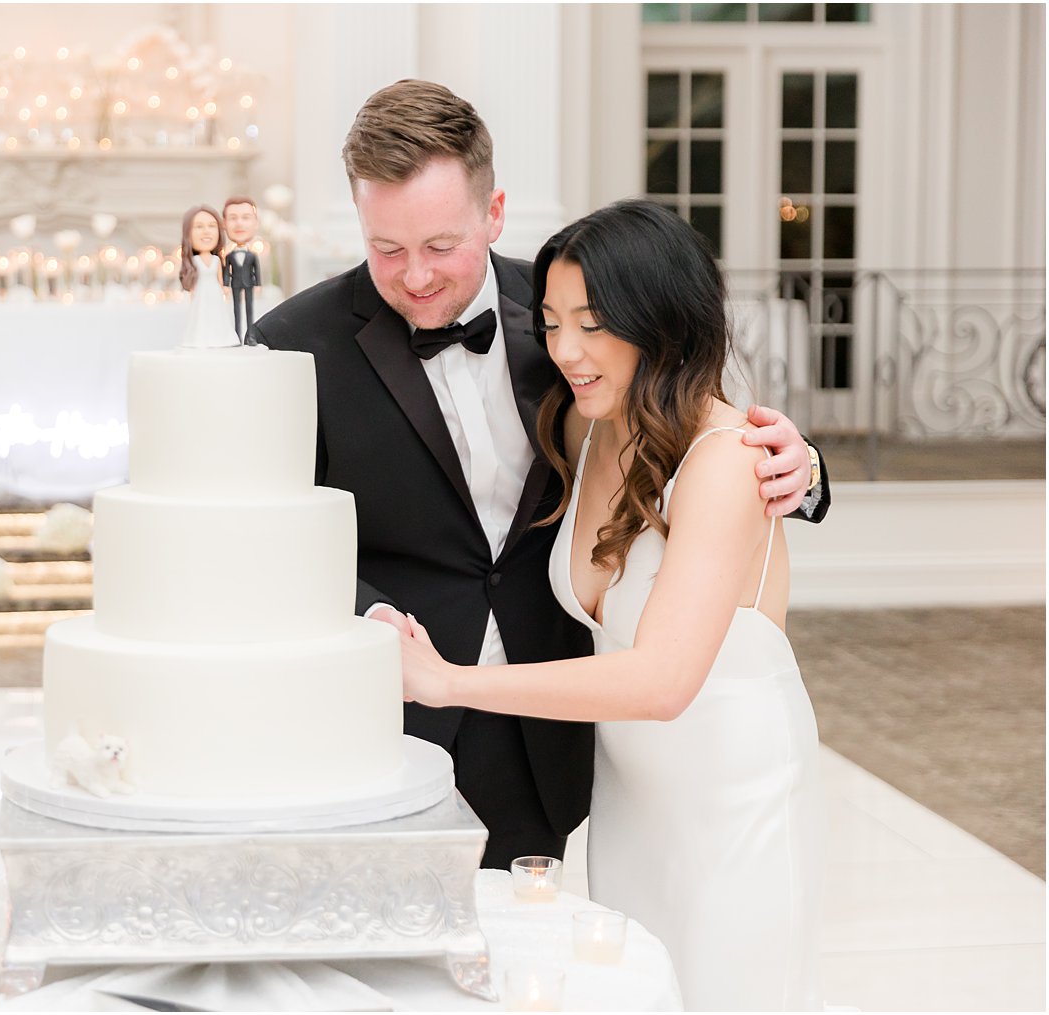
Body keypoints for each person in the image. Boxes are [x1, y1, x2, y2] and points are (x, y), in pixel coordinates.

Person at [248, 79, 830, 870]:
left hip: (543, 734)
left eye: (440, 246)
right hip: (384, 717)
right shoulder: (291, 344)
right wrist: (374, 618)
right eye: (387, 249)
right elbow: (276, 534)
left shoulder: (574, 316)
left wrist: (806, 467)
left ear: (493, 214)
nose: (415, 276)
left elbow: (689, 424)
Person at [399, 199, 822, 1010]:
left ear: (660, 320)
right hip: (632, 794)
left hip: (735, 795)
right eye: (552, 323)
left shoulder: (731, 459)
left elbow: (661, 681)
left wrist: (449, 680)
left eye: (592, 325)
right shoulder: (589, 424)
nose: (564, 350)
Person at [178, 205, 237, 348]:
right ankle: (201, 338)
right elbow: (192, 282)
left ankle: (221, 337)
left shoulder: (216, 260)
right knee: (202, 314)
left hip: (215, 292)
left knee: (217, 314)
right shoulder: (195, 261)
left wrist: (224, 288)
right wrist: (191, 293)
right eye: (198, 226)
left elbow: (220, 278)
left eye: (212, 226)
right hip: (201, 292)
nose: (206, 231)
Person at [221, 195, 263, 340]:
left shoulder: (252, 255)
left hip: (249, 284)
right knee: (236, 310)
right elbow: (227, 271)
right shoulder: (229, 256)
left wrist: (258, 284)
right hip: (235, 285)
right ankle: (237, 335)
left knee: (249, 310)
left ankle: (250, 336)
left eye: (245, 217)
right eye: (233, 218)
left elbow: (256, 270)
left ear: (256, 223)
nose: (239, 223)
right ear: (224, 223)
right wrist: (225, 285)